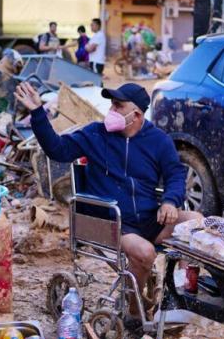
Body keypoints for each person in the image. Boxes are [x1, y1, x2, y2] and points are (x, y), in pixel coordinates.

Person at [15, 82, 201, 315]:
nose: (111, 111)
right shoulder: (95, 134)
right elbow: (57, 149)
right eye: (111, 104)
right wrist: (37, 112)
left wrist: (170, 201)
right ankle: (135, 312)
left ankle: (179, 293)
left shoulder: (159, 141)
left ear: (137, 115)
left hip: (148, 217)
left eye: (118, 105)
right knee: (144, 253)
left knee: (195, 222)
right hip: (112, 222)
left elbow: (175, 174)